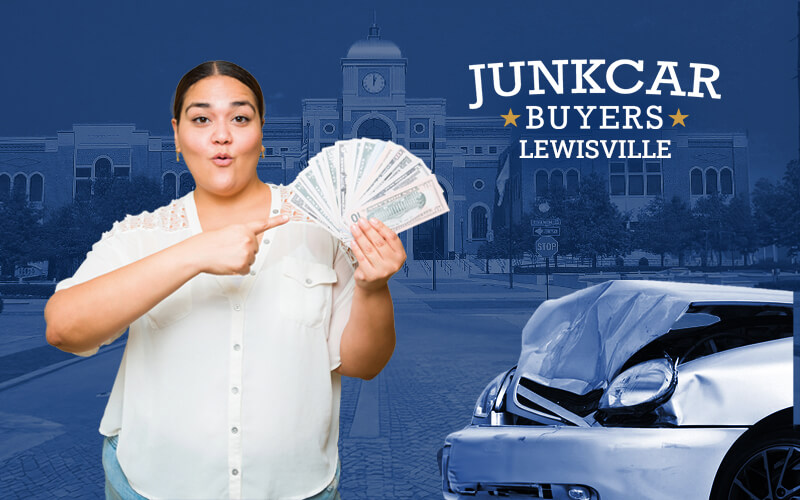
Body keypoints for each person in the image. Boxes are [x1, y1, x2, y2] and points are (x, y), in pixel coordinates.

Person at [44, 60, 405, 500]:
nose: (222, 135)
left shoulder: (319, 225)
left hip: (298, 488)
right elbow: (64, 328)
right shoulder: (140, 233)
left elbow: (363, 364)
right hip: (149, 487)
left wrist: (372, 286)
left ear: (261, 133)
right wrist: (194, 253)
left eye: (240, 117)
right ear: (177, 136)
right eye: (201, 119)